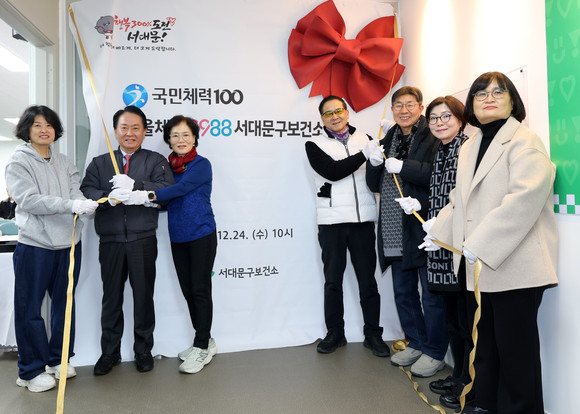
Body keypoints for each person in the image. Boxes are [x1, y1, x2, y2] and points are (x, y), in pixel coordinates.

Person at [423, 72, 558, 414]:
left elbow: (524, 199)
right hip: (479, 268)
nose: (489, 98)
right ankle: (485, 404)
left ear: (513, 101)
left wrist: (479, 242)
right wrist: (437, 231)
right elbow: (460, 200)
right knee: (484, 347)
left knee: (516, 353)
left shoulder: (525, 141)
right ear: (471, 104)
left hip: (516, 265)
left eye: (499, 92)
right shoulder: (471, 145)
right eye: (481, 93)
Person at [6, 105, 98, 392]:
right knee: (30, 309)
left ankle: (59, 359)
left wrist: (83, 205)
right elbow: (29, 200)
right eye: (37, 125)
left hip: (68, 244)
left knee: (64, 305)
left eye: (49, 125)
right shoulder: (18, 162)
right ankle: (30, 371)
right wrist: (71, 205)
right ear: (27, 130)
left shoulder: (64, 161)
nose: (44, 130)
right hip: (35, 245)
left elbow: (75, 192)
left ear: (56, 130)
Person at [81, 105, 174, 375]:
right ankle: (109, 353)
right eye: (124, 127)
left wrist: (137, 186)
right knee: (111, 298)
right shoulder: (100, 162)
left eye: (136, 128)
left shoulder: (155, 160)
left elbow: (168, 189)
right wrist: (108, 197)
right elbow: (86, 189)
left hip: (142, 239)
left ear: (144, 132)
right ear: (115, 131)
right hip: (110, 241)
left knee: (143, 297)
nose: (130, 133)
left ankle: (143, 350)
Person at [366, 86, 448, 378]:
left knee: (430, 295)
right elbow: (374, 184)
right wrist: (373, 163)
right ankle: (416, 342)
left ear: (420, 107)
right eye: (398, 105)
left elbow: (436, 175)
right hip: (391, 226)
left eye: (410, 104)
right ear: (392, 109)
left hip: (420, 226)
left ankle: (434, 351)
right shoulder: (388, 137)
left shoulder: (432, 134)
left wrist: (404, 166)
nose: (403, 110)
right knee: (403, 292)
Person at [396, 96, 473, 407]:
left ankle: (469, 384)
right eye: (434, 118)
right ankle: (459, 377)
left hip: (460, 246)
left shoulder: (467, 149)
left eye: (446, 116)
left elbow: (466, 200)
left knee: (466, 321)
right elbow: (442, 196)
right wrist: (423, 205)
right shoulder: (441, 150)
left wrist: (440, 223)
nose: (440, 123)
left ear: (460, 118)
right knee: (453, 318)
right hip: (441, 243)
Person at [305, 95, 389, 357]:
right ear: (322, 118)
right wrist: (364, 155)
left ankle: (373, 334)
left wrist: (380, 154)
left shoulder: (365, 138)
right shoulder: (314, 144)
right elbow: (332, 172)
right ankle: (335, 333)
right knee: (333, 281)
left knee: (368, 281)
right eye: (328, 113)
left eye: (338, 111)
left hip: (362, 221)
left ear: (347, 113)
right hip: (332, 222)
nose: (335, 116)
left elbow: (376, 176)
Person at [147, 115, 218, 374]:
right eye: (175, 135)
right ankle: (205, 340)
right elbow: (168, 201)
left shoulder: (201, 164)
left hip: (201, 234)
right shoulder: (167, 168)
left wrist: (150, 194)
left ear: (195, 138)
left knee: (200, 290)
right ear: (168, 139)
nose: (181, 139)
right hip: (178, 235)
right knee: (188, 291)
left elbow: (183, 189)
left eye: (186, 134)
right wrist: (150, 201)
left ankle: (201, 346)